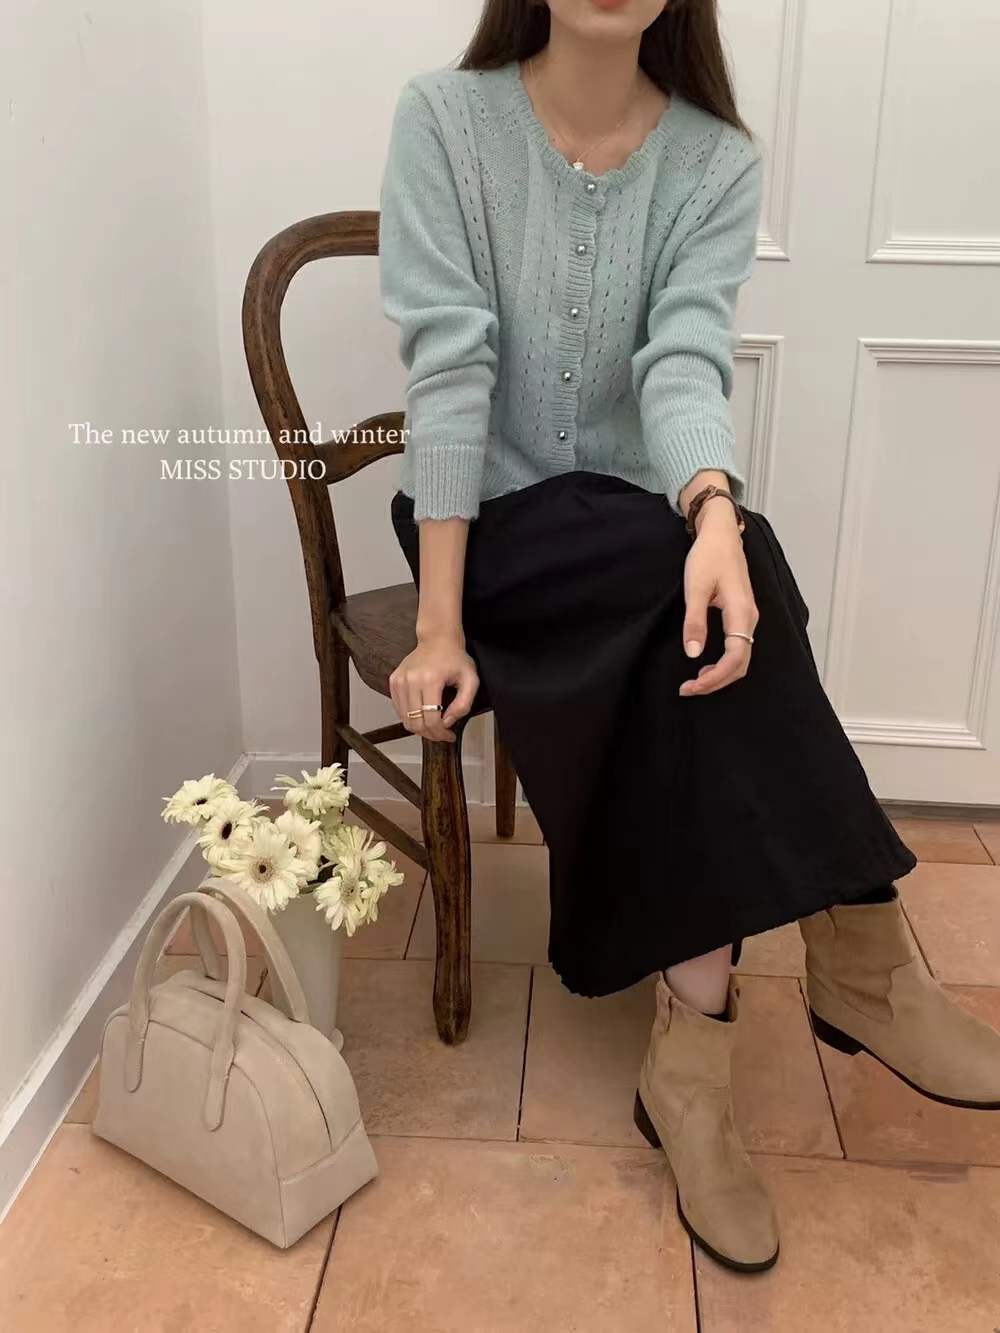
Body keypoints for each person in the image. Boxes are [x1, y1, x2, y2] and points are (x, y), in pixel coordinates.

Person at [376, 0, 1000, 1274]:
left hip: (635, 537)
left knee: (719, 587)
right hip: (491, 539)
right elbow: (448, 367)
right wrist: (440, 625)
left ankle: (693, 1054)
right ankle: (859, 952)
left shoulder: (712, 158)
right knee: (725, 586)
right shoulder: (445, 120)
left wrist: (711, 507)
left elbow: (681, 361)